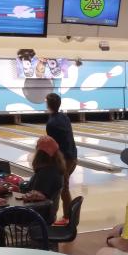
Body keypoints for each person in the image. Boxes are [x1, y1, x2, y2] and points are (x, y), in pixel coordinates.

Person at [45, 93, 77, 226]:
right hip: (73, 157)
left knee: (62, 189)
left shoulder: (51, 123)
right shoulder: (64, 117)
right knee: (63, 187)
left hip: (65, 160)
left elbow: (54, 146)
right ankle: (66, 216)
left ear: (47, 104)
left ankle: (67, 217)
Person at [22, 135, 64, 225]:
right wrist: (22, 184)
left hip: (38, 216)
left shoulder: (46, 174)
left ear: (40, 154)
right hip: (47, 214)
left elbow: (35, 198)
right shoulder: (54, 168)